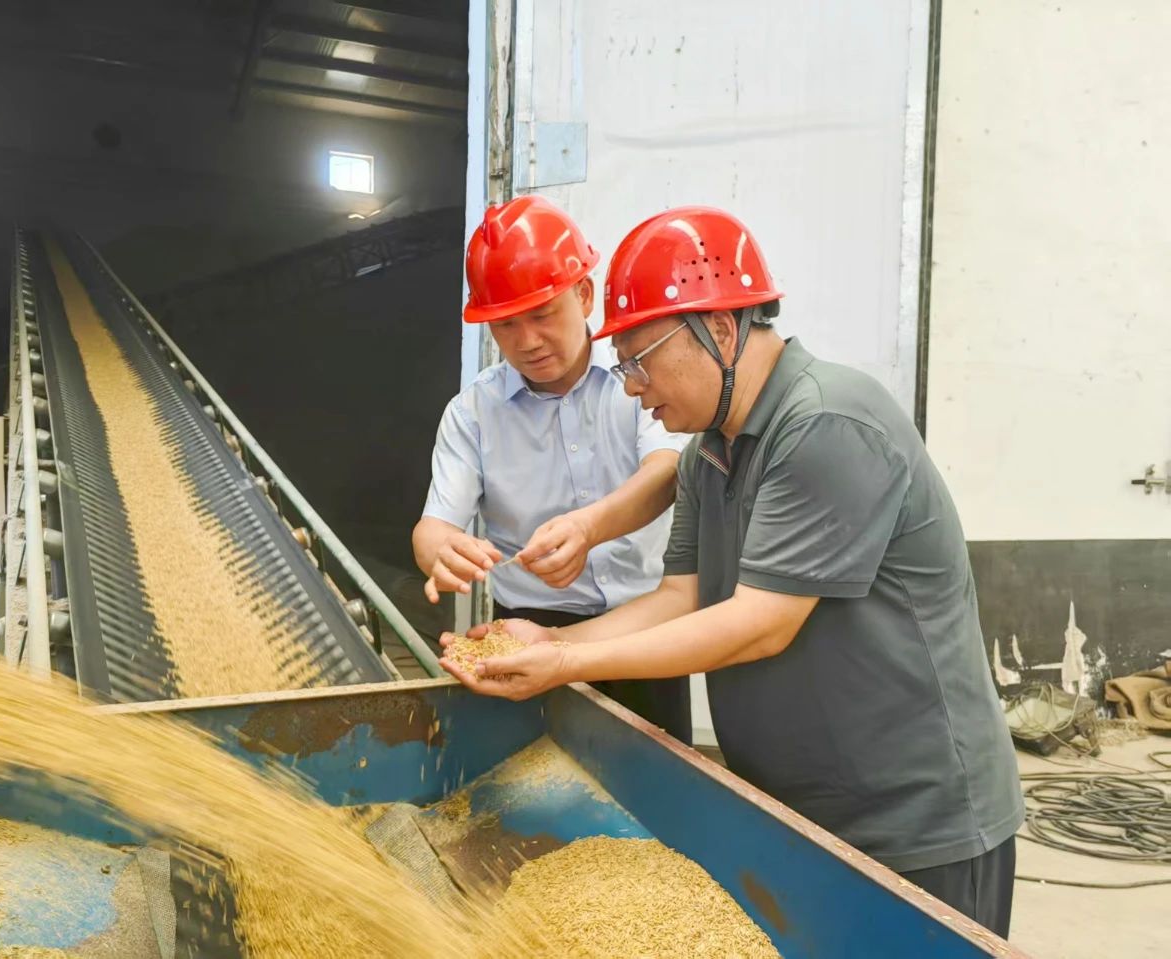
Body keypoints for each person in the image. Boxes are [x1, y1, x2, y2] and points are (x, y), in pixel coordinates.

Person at [440, 206, 1024, 936]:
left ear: (718, 330)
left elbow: (760, 624)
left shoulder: (825, 423)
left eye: (639, 360)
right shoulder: (707, 455)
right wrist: (552, 640)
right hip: (796, 807)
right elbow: (680, 597)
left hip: (910, 823)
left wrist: (565, 663)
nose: (631, 388)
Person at [414, 195, 691, 743]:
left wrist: (590, 528)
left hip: (646, 629)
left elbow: (667, 472)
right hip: (530, 633)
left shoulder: (639, 380)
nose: (527, 342)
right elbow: (434, 526)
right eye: (505, 324)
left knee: (658, 779)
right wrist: (439, 553)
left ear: (583, 294)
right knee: (533, 779)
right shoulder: (473, 413)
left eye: (542, 314)